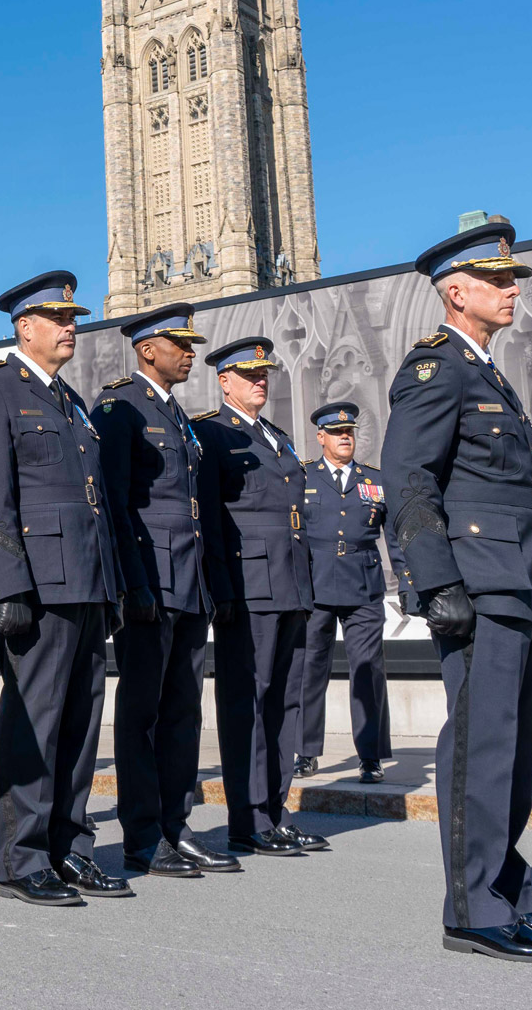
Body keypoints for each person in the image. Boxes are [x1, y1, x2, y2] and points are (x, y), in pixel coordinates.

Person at [384, 222, 532, 963]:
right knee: (481, 748)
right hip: (477, 582)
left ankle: (507, 893)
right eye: (498, 280)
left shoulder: (487, 373)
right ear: (456, 291)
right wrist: (431, 582)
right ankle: (472, 910)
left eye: (513, 280)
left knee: (514, 753)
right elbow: (410, 481)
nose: (512, 291)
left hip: (519, 584)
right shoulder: (436, 369)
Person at [0, 271, 134, 905]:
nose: (70, 328)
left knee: (82, 724)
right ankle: (23, 859)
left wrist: (111, 587)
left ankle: (70, 847)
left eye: (74, 318)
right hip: (39, 584)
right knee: (34, 722)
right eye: (58, 319)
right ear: (24, 326)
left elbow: (94, 506)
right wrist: (9, 586)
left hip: (87, 584)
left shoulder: (72, 403)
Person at [92, 304, 239, 878]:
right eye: (180, 344)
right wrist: (132, 583)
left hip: (189, 584)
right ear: (148, 348)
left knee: (182, 713)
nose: (190, 352)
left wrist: (211, 584)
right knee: (142, 715)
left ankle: (178, 827)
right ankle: (143, 836)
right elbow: (116, 503)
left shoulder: (176, 415)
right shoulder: (120, 407)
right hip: (150, 584)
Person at [193, 338, 321, 858]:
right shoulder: (213, 432)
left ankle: (275, 812)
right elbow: (213, 520)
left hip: (289, 582)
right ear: (224, 381)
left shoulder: (276, 435)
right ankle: (246, 820)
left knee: (285, 702)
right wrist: (220, 586)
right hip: (249, 587)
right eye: (249, 375)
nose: (260, 382)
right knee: (249, 703)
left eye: (264, 374)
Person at [294, 401, 410, 786]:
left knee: (368, 671)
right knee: (310, 670)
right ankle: (306, 752)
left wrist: (407, 582)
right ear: (321, 437)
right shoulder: (303, 477)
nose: (346, 438)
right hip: (316, 585)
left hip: (363, 585)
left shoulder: (373, 481)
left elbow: (393, 539)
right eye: (337, 433)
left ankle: (371, 756)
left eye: (350, 432)